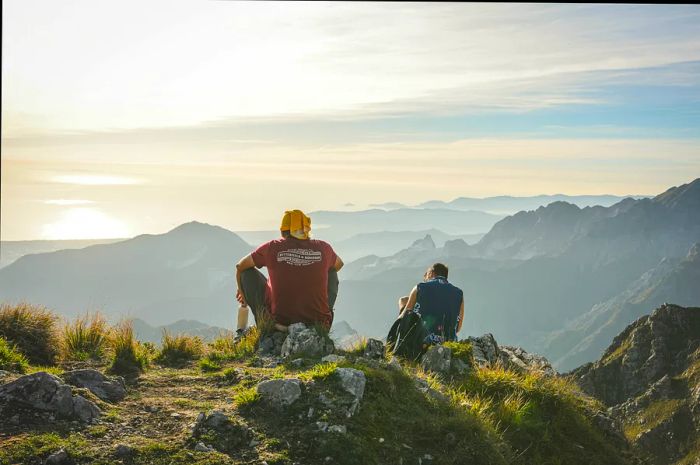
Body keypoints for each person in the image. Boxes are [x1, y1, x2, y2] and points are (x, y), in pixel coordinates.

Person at [234, 210, 344, 336]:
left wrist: (243, 292)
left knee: (247, 273)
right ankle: (322, 320)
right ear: (307, 229)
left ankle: (267, 322)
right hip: (317, 326)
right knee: (332, 271)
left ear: (283, 231)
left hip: (280, 323)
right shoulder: (324, 247)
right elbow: (339, 264)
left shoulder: (272, 247)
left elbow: (240, 266)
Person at [399, 263, 464, 344]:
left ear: (431, 273)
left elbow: (405, 317)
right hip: (449, 342)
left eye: (426, 274)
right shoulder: (459, 293)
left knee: (403, 300)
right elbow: (458, 328)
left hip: (421, 342)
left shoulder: (420, 287)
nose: (424, 277)